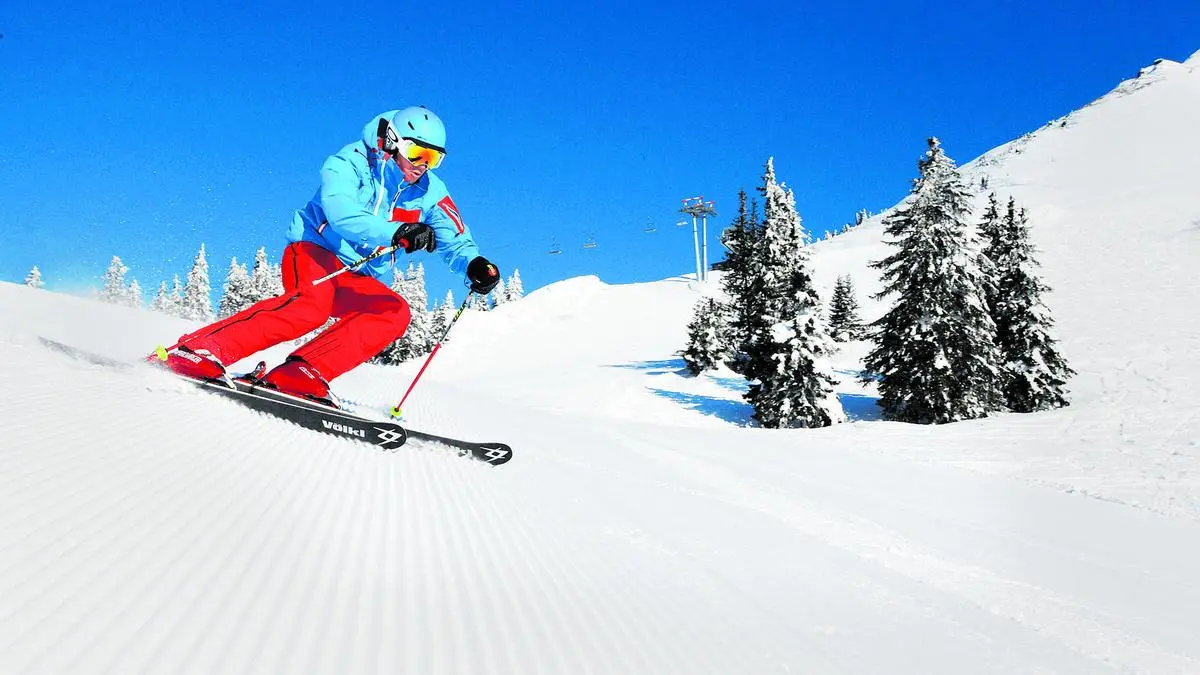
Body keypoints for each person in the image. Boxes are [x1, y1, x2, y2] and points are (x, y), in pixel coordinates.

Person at [154, 106, 500, 405]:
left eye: (433, 158)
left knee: (393, 312)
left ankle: (300, 373)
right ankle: (197, 350)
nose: (423, 166)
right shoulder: (350, 162)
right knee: (309, 307)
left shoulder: (429, 191)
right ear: (394, 141)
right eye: (416, 154)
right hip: (314, 250)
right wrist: (394, 232)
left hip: (359, 275)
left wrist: (474, 264)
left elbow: (454, 237)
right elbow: (341, 212)